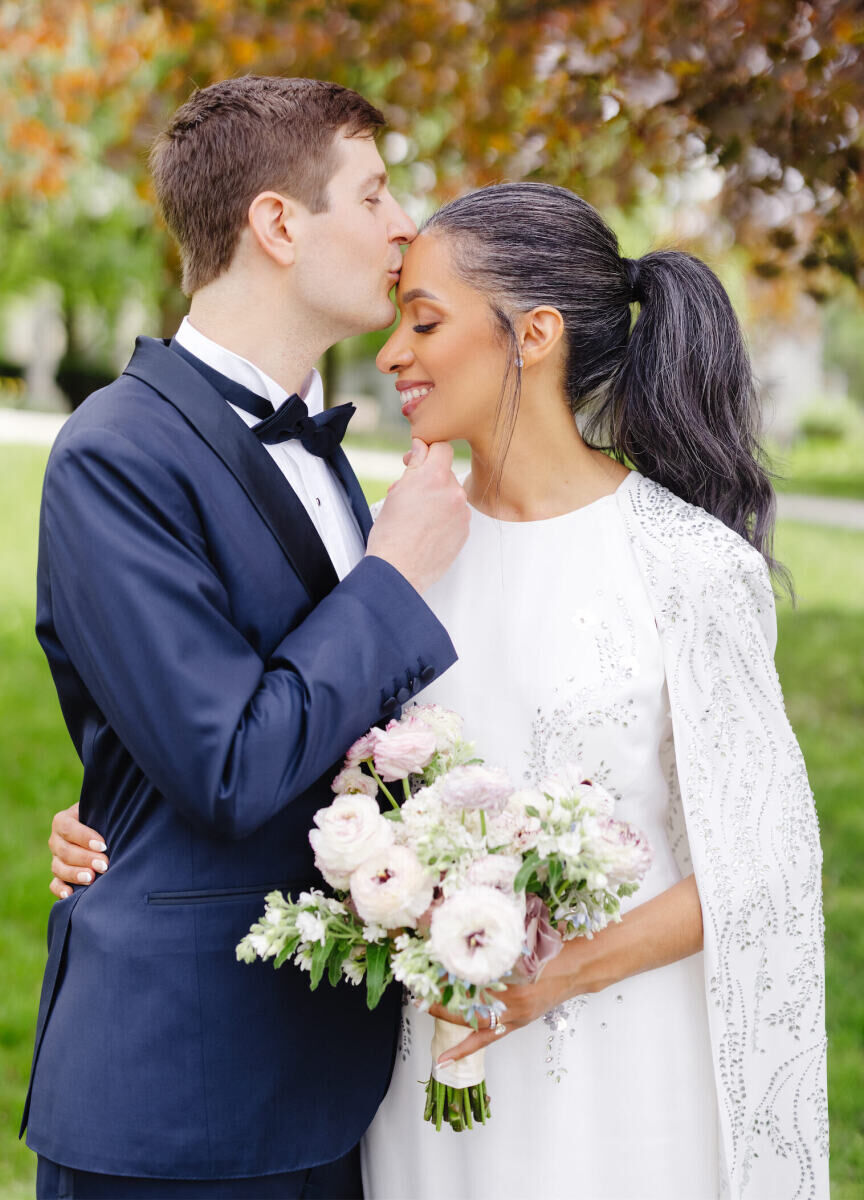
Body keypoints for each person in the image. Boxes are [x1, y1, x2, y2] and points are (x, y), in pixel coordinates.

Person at [49, 182, 829, 1195]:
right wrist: (111, 808)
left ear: (533, 335)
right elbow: (275, 727)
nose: (389, 353)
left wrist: (539, 985)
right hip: (425, 1082)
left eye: (424, 321)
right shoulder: (398, 546)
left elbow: (761, 866)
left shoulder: (686, 565)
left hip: (617, 1078)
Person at [24, 75, 469, 1200]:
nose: (404, 225)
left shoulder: (322, 451)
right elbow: (226, 764)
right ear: (278, 222)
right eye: (372, 194)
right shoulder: (114, 451)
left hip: (321, 1082)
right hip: (180, 1099)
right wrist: (394, 578)